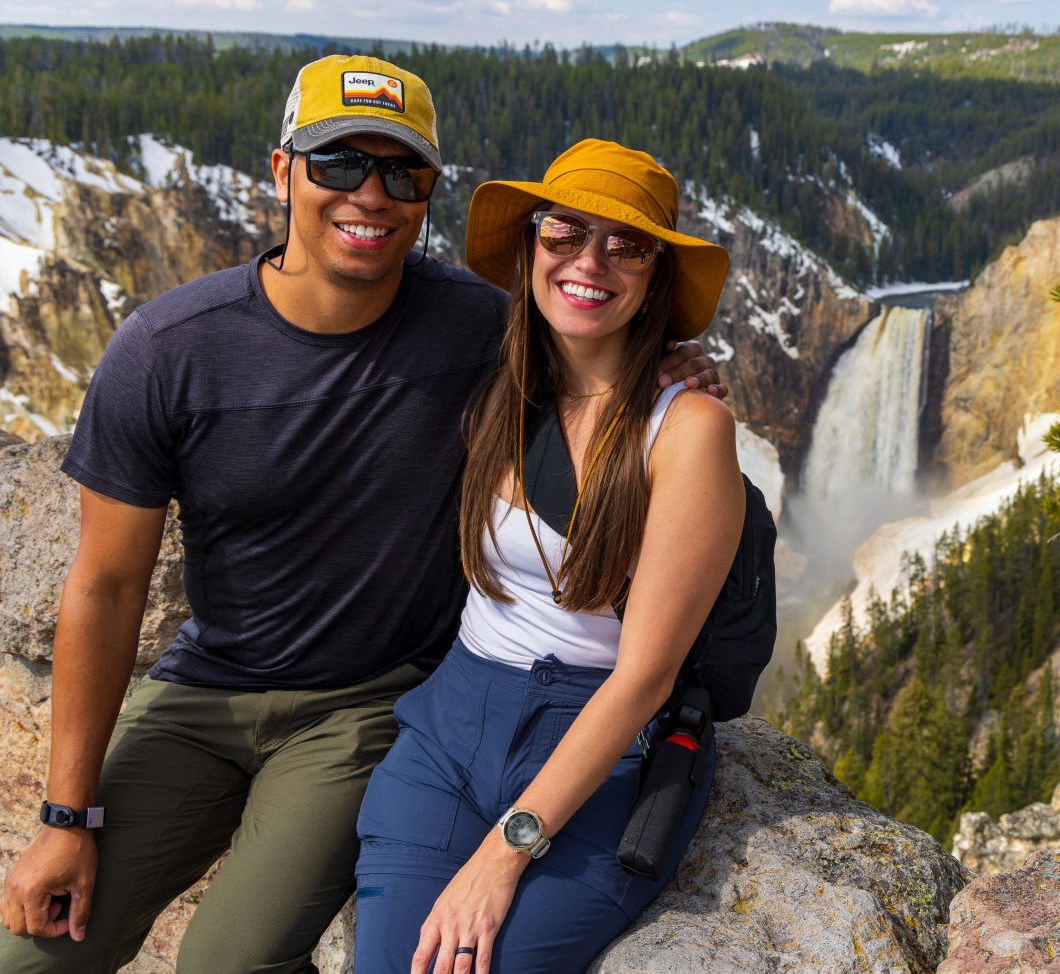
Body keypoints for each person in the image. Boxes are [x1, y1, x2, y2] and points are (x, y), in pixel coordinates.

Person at [0, 56, 723, 973]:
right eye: (339, 162)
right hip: (202, 694)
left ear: (426, 195)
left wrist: (679, 368)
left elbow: (593, 344)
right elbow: (102, 587)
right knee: (28, 958)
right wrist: (66, 816)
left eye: (401, 173)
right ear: (281, 170)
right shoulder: (167, 351)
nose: (370, 195)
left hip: (363, 706)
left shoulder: (479, 328)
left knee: (224, 961)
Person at [352, 139, 743, 974]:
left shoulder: (687, 430)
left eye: (626, 245)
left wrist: (505, 851)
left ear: (656, 276)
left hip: (599, 739)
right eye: (564, 233)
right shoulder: (499, 383)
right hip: (451, 722)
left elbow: (645, 676)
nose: (589, 262)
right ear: (531, 244)